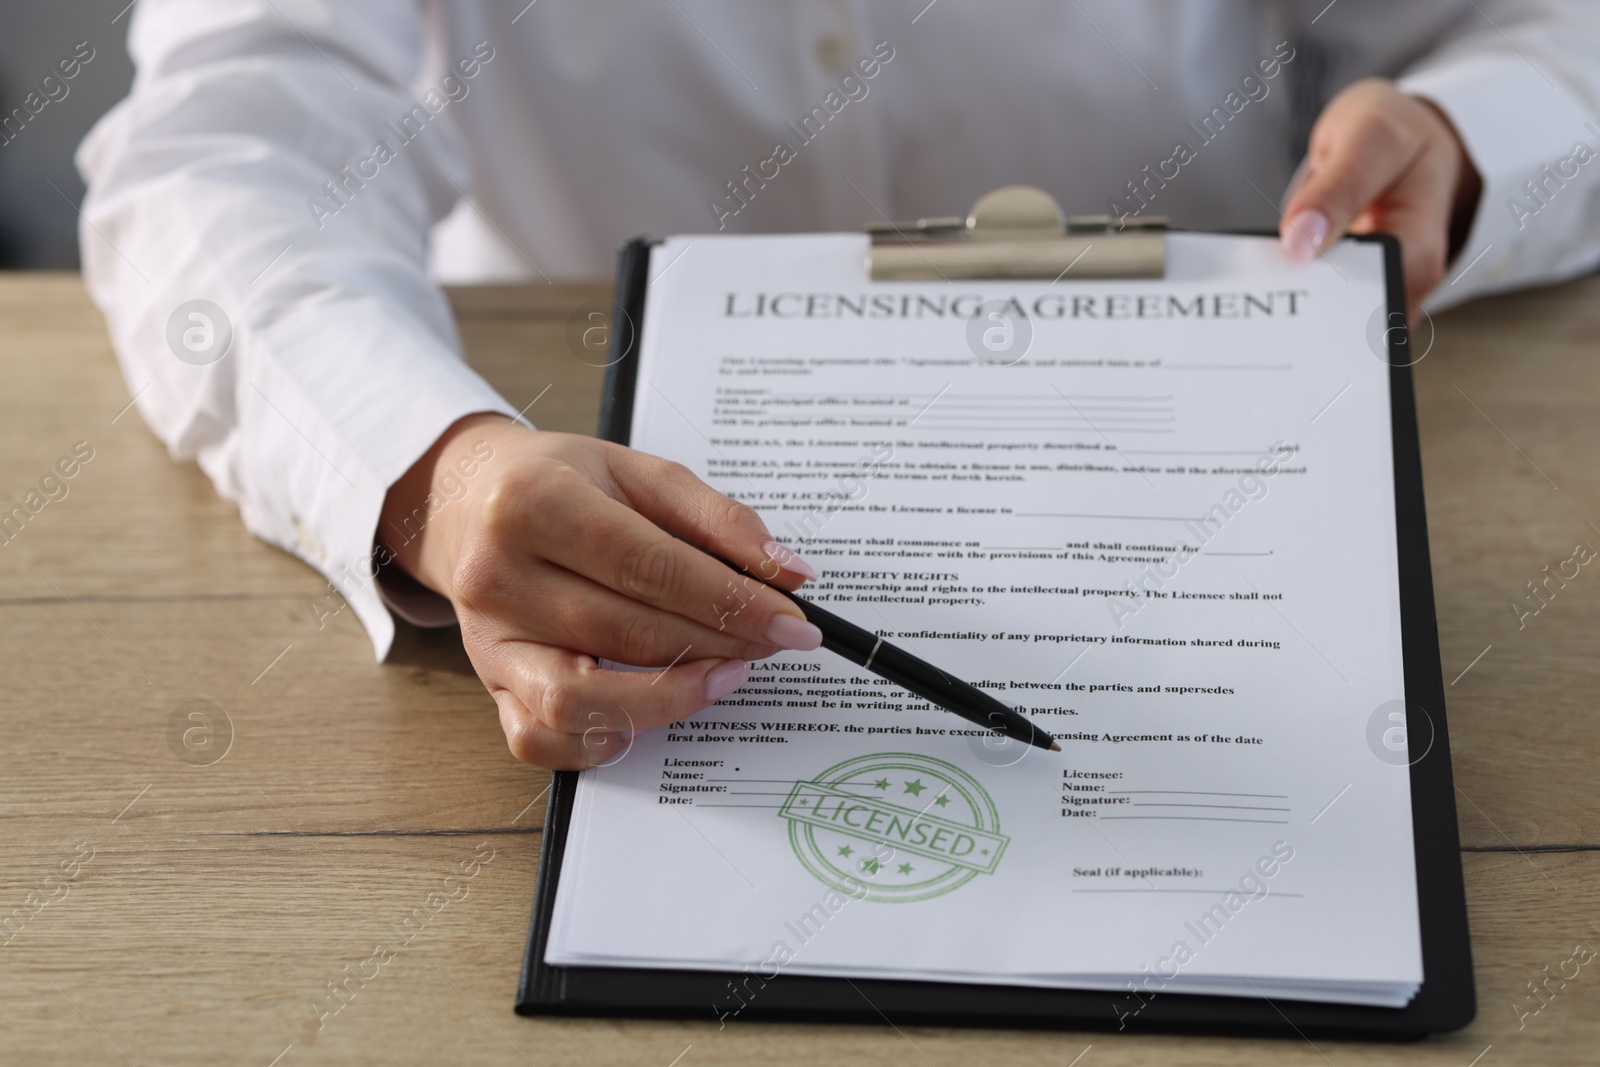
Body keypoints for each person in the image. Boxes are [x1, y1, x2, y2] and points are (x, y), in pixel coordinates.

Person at [78, 1, 1600, 769]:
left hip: (1217, 447)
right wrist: (431, 468)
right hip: (594, 455)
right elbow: (221, 153)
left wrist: (1473, 146)